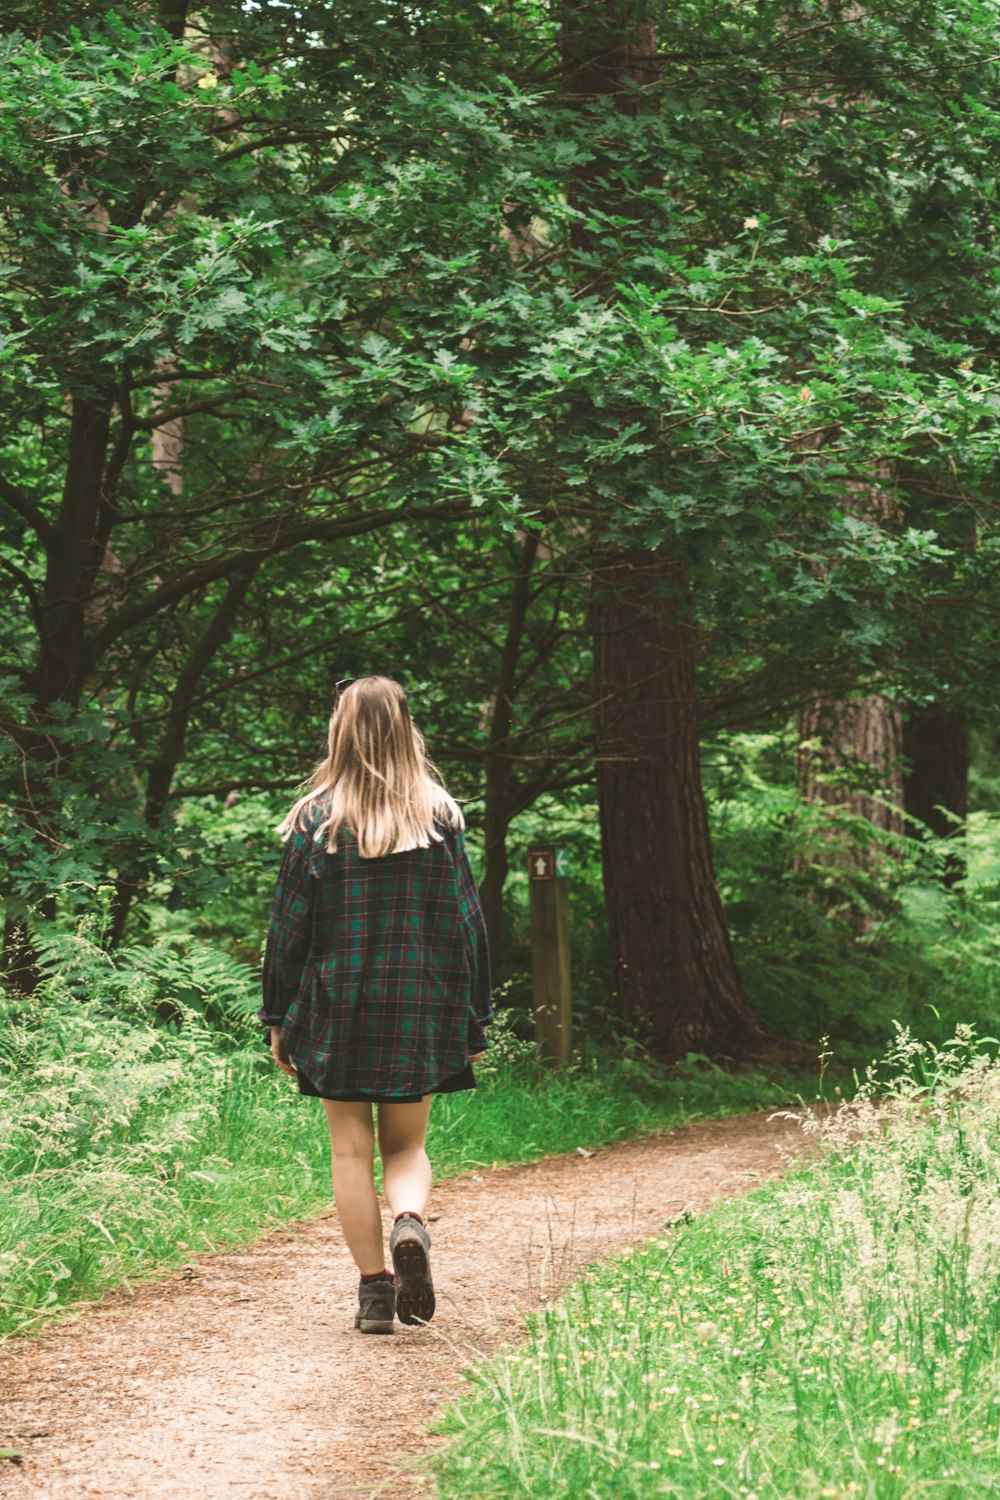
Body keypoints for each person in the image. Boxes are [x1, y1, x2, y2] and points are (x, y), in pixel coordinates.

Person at [259, 676, 492, 1335]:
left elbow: (288, 929)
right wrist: (475, 1013)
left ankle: (373, 1292)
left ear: (341, 729)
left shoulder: (317, 818)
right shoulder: (438, 816)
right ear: (405, 727)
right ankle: (410, 1223)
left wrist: (277, 1017)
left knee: (349, 1151)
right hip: (417, 1003)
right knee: (406, 1143)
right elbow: (469, 925)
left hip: (337, 1003)